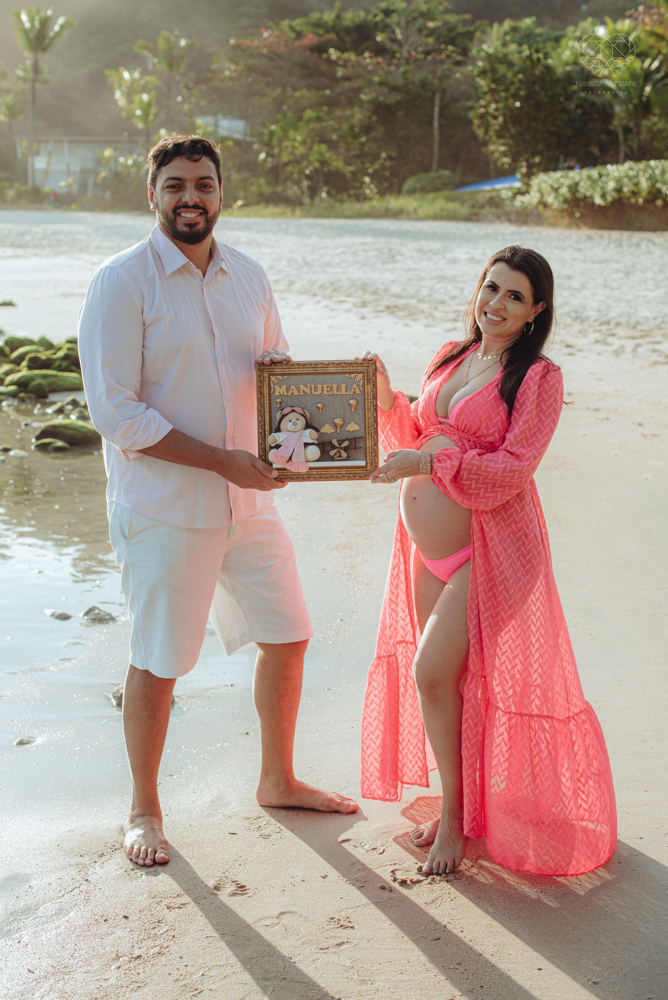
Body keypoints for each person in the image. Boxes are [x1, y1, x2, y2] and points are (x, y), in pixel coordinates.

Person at [78, 134, 357, 868]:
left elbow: (275, 370)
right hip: (167, 508)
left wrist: (307, 424)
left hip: (250, 505)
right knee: (160, 660)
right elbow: (117, 415)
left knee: (289, 633)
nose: (190, 197)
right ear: (153, 195)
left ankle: (278, 778)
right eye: (175, 185)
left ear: (222, 193)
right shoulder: (121, 282)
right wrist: (223, 464)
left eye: (203, 183)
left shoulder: (249, 276)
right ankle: (143, 810)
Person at [360, 246, 617, 877]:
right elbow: (413, 433)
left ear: (536, 311)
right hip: (429, 550)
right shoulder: (451, 354)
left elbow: (514, 468)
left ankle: (454, 825)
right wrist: (383, 394)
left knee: (429, 671)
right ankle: (459, 805)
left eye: (514, 297)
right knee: (447, 683)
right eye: (490, 288)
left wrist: (430, 464)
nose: (495, 305)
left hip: (494, 549)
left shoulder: (538, 378)